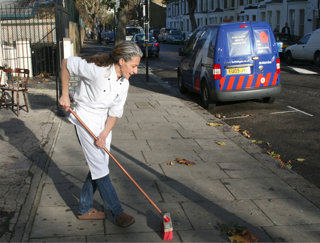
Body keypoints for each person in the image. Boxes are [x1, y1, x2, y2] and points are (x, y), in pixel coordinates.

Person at [59, 41, 143, 227]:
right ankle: (118, 212)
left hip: (103, 122)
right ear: (122, 61)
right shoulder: (96, 70)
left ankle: (84, 208)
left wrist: (104, 134)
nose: (136, 71)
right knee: (100, 169)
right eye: (134, 66)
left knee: (100, 165)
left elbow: (115, 112)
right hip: (84, 118)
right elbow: (66, 63)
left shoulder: (124, 84)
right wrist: (65, 94)